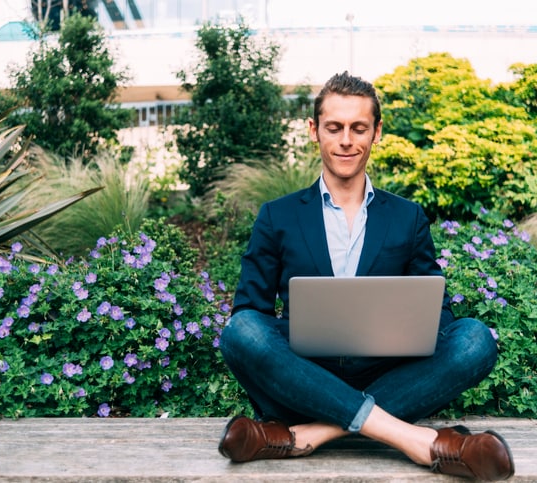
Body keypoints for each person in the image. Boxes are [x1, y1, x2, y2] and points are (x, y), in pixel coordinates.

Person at [216, 71, 515, 481]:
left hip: (387, 374)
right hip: (301, 378)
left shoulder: (407, 216)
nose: (345, 140)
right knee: (240, 331)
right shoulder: (278, 216)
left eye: (358, 128)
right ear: (313, 130)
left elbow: (439, 314)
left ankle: (309, 433)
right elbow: (251, 309)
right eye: (334, 127)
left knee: (475, 340)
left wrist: (409, 331)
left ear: (376, 133)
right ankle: (419, 441)